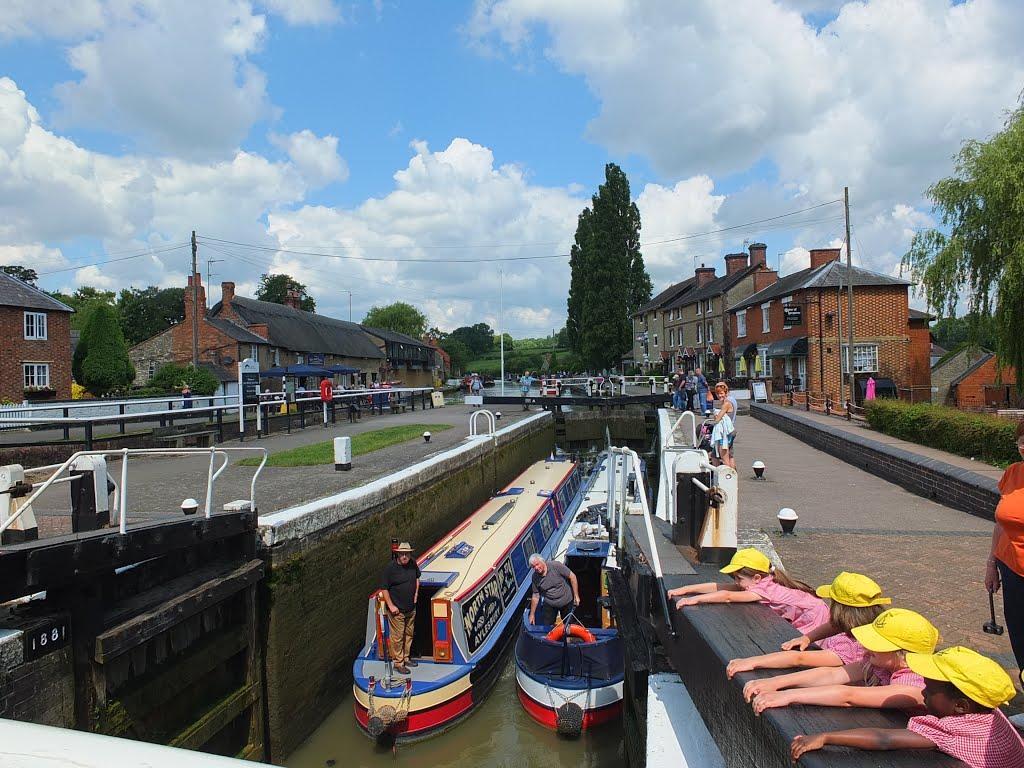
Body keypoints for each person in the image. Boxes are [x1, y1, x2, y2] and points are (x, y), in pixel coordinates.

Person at [791, 646, 1024, 768]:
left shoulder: (956, 730)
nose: (923, 692)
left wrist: (826, 736)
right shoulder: (992, 715)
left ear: (961, 706)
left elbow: (884, 739)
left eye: (930, 691)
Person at [744, 607, 939, 715]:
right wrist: (774, 683)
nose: (866, 646)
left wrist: (788, 696)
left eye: (876, 643)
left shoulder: (915, 685)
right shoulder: (882, 664)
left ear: (902, 654)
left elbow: (849, 696)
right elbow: (833, 673)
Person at [726, 572, 891, 678]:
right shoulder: (873, 624)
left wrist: (753, 662)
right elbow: (835, 625)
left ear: (839, 609)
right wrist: (808, 637)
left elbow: (799, 659)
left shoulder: (849, 646)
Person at [666, 548, 829, 634]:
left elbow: (728, 597)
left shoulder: (762, 590)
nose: (736, 582)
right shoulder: (761, 582)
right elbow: (719, 587)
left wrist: (694, 600)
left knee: (802, 644)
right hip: (810, 609)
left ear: (757, 578)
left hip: (813, 615)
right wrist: (685, 590)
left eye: (739, 578)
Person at [985, 420, 1024, 669]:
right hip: (1011, 567)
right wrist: (991, 563)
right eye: (1022, 441)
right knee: (1020, 635)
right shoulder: (1013, 472)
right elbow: (1001, 522)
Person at [380, 542, 420, 675]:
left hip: (410, 608)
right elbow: (384, 588)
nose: (404, 556)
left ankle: (406, 658)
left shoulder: (412, 563)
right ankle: (398, 663)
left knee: (409, 634)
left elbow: (417, 578)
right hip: (397, 611)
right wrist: (391, 606)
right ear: (397, 554)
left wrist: (415, 594)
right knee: (397, 637)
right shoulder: (390, 568)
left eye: (407, 554)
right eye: (402, 554)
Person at [528, 553, 580, 626]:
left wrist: (576, 596)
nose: (536, 568)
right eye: (533, 567)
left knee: (569, 625)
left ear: (542, 561)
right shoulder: (535, 577)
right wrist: (532, 614)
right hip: (550, 603)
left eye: (537, 564)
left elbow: (572, 577)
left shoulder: (555, 566)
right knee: (547, 626)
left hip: (566, 600)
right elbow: (536, 595)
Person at [710, 381, 737, 469]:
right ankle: (729, 475)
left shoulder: (726, 404)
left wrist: (715, 416)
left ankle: (727, 478)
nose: (719, 395)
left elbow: (717, 419)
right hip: (731, 430)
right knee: (725, 456)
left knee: (725, 458)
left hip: (725, 433)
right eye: (718, 394)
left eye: (721, 393)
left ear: (726, 392)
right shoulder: (730, 401)